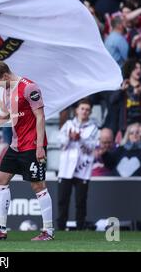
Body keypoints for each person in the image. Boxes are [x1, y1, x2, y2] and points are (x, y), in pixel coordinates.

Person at [0, 61, 55, 241]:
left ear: (5, 76)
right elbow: (4, 117)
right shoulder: (6, 92)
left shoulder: (29, 87)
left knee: (38, 185)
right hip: (16, 145)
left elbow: (40, 117)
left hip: (32, 145)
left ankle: (48, 231)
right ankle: (0, 228)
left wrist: (40, 146)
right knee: (0, 180)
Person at [57, 99, 99, 231]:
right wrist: (69, 137)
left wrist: (80, 139)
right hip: (66, 169)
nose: (84, 112)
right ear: (76, 110)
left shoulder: (93, 128)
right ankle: (61, 227)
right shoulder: (68, 124)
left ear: (90, 112)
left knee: (80, 201)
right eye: (82, 109)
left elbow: (92, 147)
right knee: (63, 200)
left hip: (83, 169)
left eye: (87, 109)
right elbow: (60, 143)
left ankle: (80, 227)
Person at [109, 59, 141, 135]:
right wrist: (121, 90)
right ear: (130, 70)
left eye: (140, 68)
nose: (139, 70)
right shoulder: (123, 84)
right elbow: (112, 100)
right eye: (136, 68)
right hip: (126, 125)